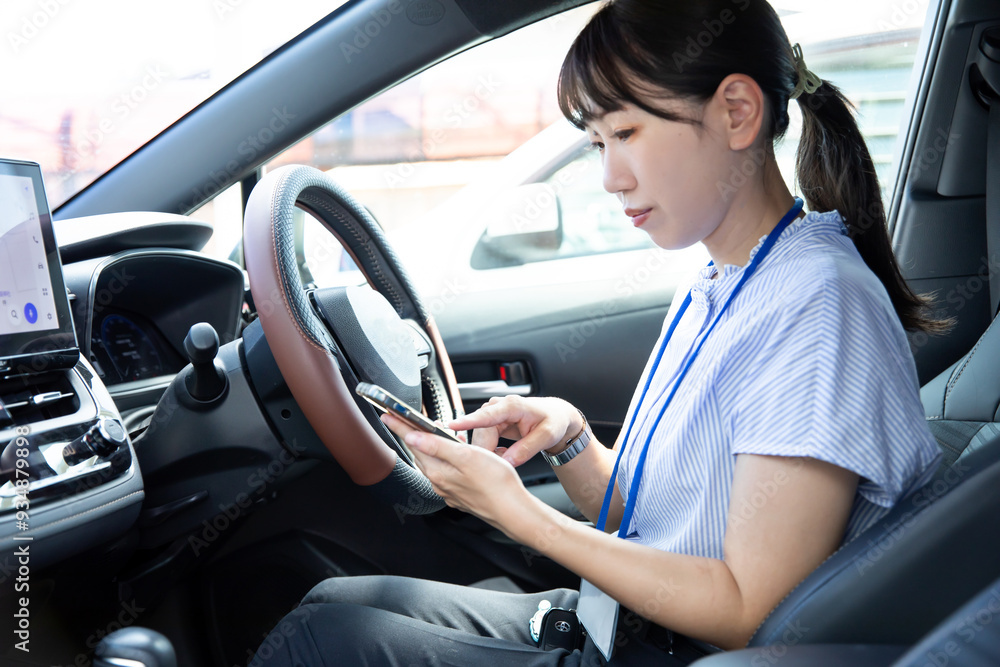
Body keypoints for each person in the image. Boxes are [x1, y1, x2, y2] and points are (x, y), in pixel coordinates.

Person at [253, 0, 948, 664]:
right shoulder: (722, 276)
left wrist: (521, 514)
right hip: (628, 624)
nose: (611, 177)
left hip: (682, 650)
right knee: (328, 608)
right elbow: (660, 520)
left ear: (736, 112)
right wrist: (569, 437)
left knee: (322, 641)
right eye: (596, 143)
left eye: (626, 133)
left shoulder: (816, 306)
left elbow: (746, 605)